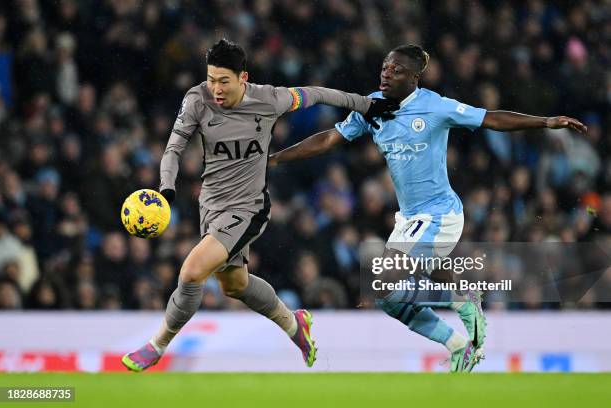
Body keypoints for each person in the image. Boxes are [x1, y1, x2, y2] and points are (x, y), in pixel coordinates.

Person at [269, 44, 587, 372]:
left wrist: (547, 121)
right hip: (409, 219)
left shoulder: (434, 106)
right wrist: (277, 158)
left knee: (384, 279)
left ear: (415, 79)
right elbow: (329, 139)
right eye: (384, 68)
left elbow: (490, 119)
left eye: (397, 71)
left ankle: (462, 298)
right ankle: (457, 344)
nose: (386, 74)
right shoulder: (372, 107)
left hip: (440, 213)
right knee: (388, 298)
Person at [122, 39, 398, 372]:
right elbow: (173, 148)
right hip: (211, 205)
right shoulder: (196, 99)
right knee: (234, 284)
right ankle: (295, 325)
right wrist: (166, 188)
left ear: (243, 77)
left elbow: (319, 93)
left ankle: (157, 345)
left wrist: (366, 105)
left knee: (192, 271)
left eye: (224, 81)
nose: (216, 89)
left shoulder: (270, 99)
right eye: (211, 79)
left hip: (249, 207)